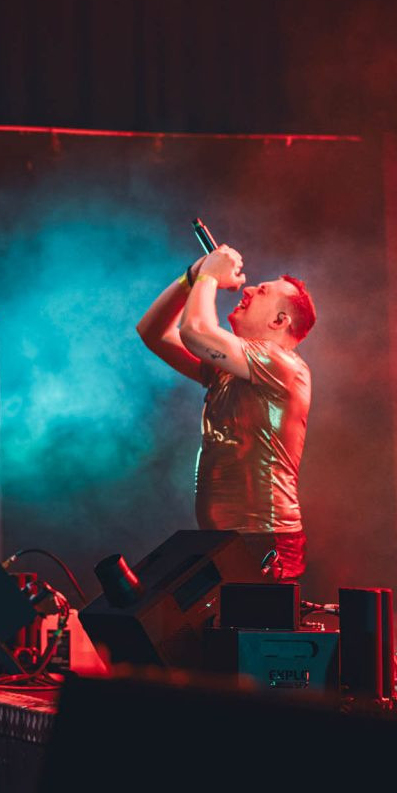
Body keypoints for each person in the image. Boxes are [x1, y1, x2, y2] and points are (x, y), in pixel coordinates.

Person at [135, 243, 315, 581]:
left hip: (264, 540)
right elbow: (152, 332)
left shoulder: (282, 364)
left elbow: (195, 332)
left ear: (279, 320)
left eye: (262, 291)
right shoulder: (229, 370)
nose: (248, 290)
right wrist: (192, 276)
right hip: (234, 540)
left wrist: (209, 276)